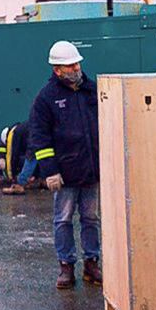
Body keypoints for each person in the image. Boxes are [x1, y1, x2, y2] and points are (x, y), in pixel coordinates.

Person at [28, 40, 101, 289]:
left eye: (77, 63)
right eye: (70, 65)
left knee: (91, 219)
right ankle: (66, 267)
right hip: (65, 173)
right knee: (64, 220)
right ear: (57, 69)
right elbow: (39, 137)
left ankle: (92, 263)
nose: (76, 68)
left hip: (90, 170)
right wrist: (50, 171)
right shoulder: (46, 98)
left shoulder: (91, 91)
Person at [0, 123, 38, 195]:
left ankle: (19, 184)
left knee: (31, 157)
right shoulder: (22, 131)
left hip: (37, 134)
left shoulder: (13, 134)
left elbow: (12, 157)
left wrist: (11, 178)